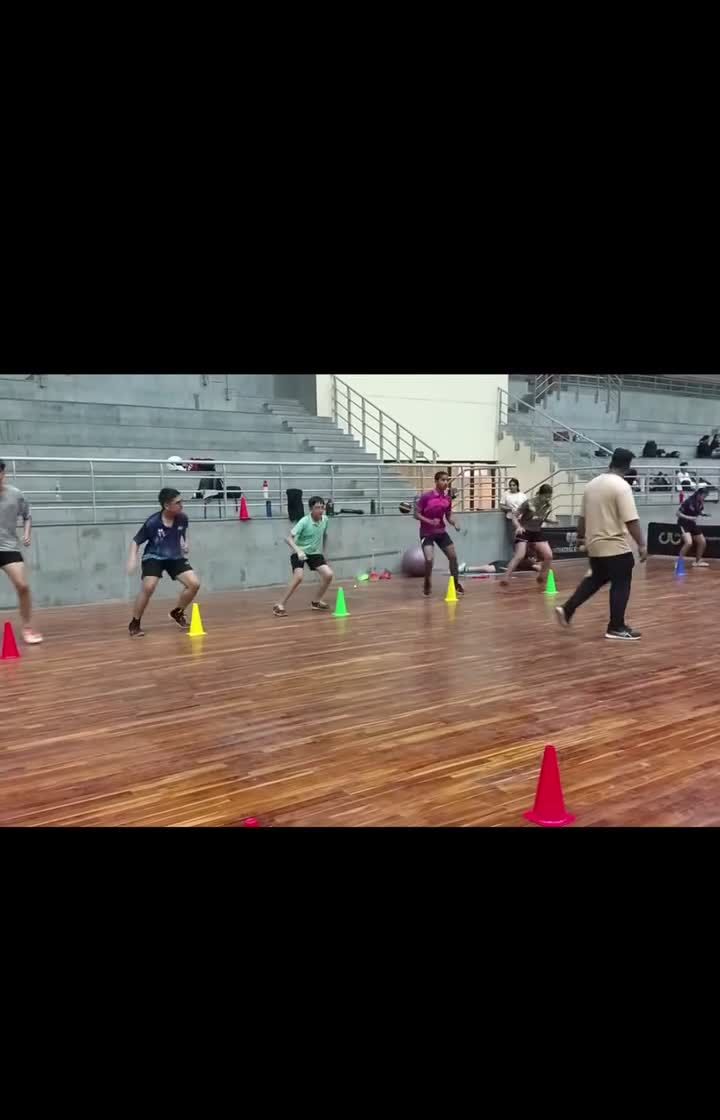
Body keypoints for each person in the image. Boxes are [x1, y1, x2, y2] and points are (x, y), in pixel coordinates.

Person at [555, 448, 647, 641]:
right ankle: (616, 626)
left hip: (595, 546)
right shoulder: (621, 486)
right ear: (628, 466)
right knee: (622, 582)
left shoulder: (591, 485)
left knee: (596, 579)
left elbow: (582, 518)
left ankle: (567, 609)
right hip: (614, 544)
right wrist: (642, 544)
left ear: (612, 461)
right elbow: (631, 520)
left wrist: (581, 538)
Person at [126, 487, 200, 637]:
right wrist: (132, 559)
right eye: (177, 503)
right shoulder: (153, 523)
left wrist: (184, 543)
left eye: (181, 501)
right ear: (167, 505)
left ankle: (177, 612)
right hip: (154, 557)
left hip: (175, 557)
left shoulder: (182, 518)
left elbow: (182, 533)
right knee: (149, 587)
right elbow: (136, 541)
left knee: (194, 584)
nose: (182, 505)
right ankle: (135, 622)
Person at [0, 459, 42, 643]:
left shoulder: (15, 494)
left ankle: (27, 628)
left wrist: (26, 533)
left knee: (23, 586)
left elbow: (27, 515)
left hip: (8, 547)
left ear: (3, 474)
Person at [273, 496, 334, 616]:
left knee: (328, 575)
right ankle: (279, 605)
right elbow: (288, 538)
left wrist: (324, 552)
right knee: (299, 577)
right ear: (311, 509)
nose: (320, 510)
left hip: (315, 553)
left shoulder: (325, 520)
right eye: (317, 508)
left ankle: (316, 602)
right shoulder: (304, 521)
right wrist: (298, 551)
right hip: (299, 551)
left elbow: (325, 535)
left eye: (322, 507)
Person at [414, 470, 464, 597]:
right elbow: (416, 514)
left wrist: (454, 522)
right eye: (443, 480)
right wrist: (430, 521)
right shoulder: (426, 497)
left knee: (453, 556)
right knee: (429, 559)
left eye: (447, 480)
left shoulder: (447, 499)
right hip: (427, 533)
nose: (446, 482)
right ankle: (427, 582)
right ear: (436, 481)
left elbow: (448, 515)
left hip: (441, 532)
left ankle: (455, 584)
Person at [500, 484, 554, 588]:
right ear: (540, 494)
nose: (547, 499)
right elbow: (514, 516)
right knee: (520, 555)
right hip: (524, 531)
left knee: (549, 555)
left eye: (549, 497)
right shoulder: (529, 503)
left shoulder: (548, 506)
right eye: (546, 496)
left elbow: (541, 518)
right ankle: (505, 578)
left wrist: (550, 521)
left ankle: (541, 576)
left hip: (536, 532)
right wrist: (518, 527)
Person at [677, 482, 710, 568]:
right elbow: (678, 513)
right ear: (699, 494)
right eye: (704, 496)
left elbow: (699, 510)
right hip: (683, 523)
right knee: (688, 543)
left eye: (706, 496)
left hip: (692, 524)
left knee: (702, 542)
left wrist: (703, 514)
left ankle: (697, 562)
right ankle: (679, 562)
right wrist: (689, 518)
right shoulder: (689, 501)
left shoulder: (700, 502)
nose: (705, 498)